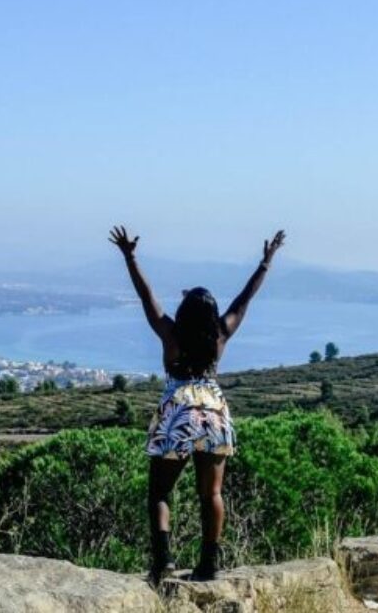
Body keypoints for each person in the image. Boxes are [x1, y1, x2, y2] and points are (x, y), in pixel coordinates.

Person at [108, 224, 286, 586]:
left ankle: (163, 563)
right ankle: (209, 565)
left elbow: (147, 297)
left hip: (179, 412)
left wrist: (130, 257)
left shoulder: (170, 334)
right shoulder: (220, 335)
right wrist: (266, 262)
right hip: (215, 412)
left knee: (160, 492)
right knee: (212, 493)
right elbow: (243, 300)